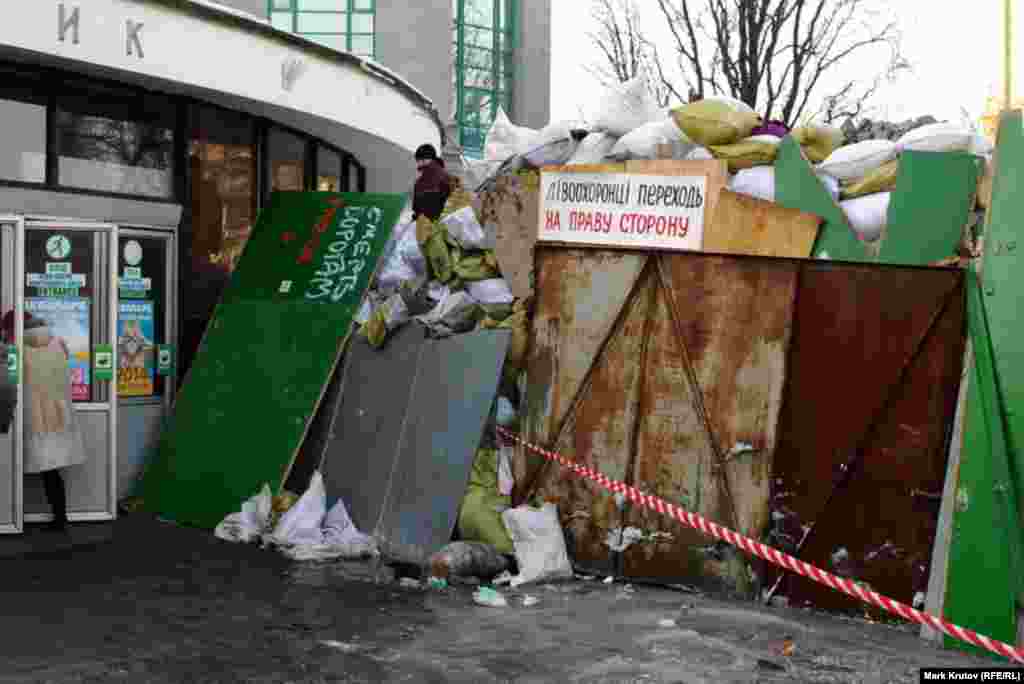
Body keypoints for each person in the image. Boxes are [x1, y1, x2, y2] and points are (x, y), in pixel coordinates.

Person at [1, 311, 86, 532]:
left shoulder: (16, 350)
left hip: (30, 416)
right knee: (51, 471)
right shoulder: (58, 344)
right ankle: (60, 519)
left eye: (6, 330)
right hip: (57, 416)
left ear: (13, 329)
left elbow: (10, 383)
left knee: (10, 463)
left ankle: (11, 519)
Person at [412, 143, 452, 222]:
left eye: (418, 160)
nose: (418, 163)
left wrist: (417, 216)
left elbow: (419, 208)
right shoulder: (446, 175)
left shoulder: (424, 180)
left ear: (424, 159)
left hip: (430, 224)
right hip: (442, 222)